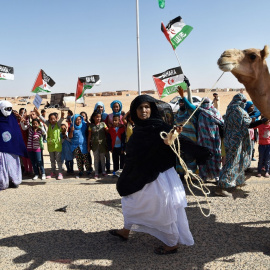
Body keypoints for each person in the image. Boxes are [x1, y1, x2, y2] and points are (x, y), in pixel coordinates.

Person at [109, 95, 197, 255]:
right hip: (137, 174)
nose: (144, 110)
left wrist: (172, 137)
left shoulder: (160, 126)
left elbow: (171, 144)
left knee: (162, 209)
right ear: (135, 111)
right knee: (130, 202)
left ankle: (171, 243)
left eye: (147, 107)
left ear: (152, 108)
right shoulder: (139, 128)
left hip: (157, 177)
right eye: (140, 108)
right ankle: (125, 230)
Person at [216, 93, 265, 197]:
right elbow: (249, 125)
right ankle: (222, 187)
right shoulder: (239, 111)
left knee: (235, 161)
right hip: (236, 141)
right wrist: (262, 121)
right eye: (244, 102)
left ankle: (236, 181)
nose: (245, 104)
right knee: (232, 163)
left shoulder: (229, 109)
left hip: (229, 140)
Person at [178, 87, 224, 182]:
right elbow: (190, 106)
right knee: (203, 158)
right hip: (205, 141)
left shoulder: (212, 112)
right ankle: (204, 176)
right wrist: (183, 96)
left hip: (214, 141)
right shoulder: (201, 112)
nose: (205, 105)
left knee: (215, 157)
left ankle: (216, 176)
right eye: (204, 104)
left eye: (206, 103)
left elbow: (222, 124)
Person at [0, 101, 28, 190]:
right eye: (6, 109)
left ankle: (14, 181)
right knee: (2, 167)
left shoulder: (12, 119)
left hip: (12, 149)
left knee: (13, 165)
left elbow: (16, 133)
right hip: (2, 148)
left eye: (10, 109)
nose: (8, 111)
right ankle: (4, 182)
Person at [35, 108, 64, 180]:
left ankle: (60, 172)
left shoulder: (58, 124)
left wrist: (62, 115)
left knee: (58, 160)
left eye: (54, 119)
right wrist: (38, 113)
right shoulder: (49, 124)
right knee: (52, 160)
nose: (52, 120)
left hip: (57, 146)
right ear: (49, 120)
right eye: (51, 119)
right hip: (50, 146)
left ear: (56, 119)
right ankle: (53, 172)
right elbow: (43, 119)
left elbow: (61, 119)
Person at [88, 111, 108, 180]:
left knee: (102, 159)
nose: (98, 118)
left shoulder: (103, 124)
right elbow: (89, 136)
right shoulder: (91, 126)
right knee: (96, 159)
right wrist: (88, 145)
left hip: (102, 145)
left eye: (99, 117)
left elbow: (107, 131)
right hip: (94, 145)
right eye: (97, 117)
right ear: (93, 117)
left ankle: (103, 171)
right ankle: (96, 173)